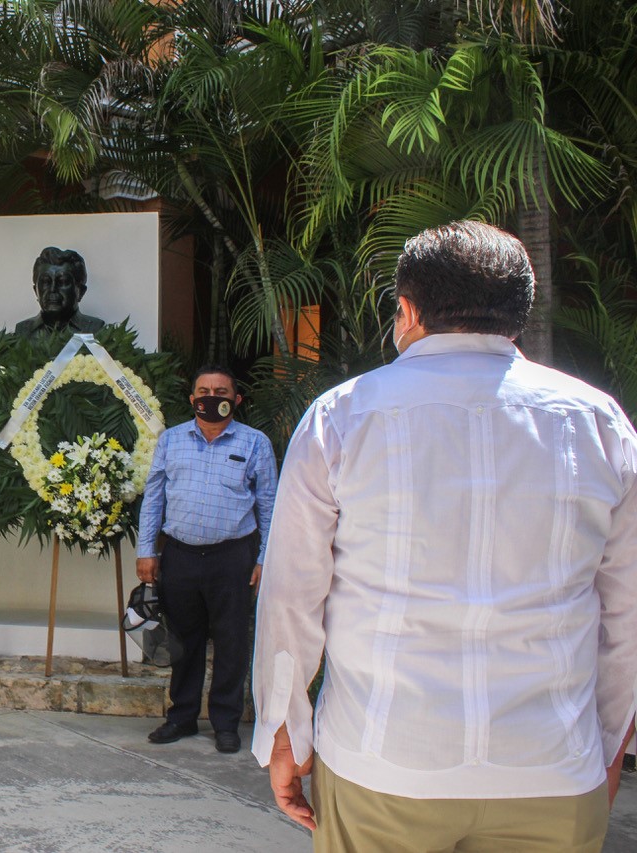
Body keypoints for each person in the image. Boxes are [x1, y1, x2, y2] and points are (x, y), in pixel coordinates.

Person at [252, 221, 637, 852]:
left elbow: (292, 598)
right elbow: (627, 613)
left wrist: (284, 735)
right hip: (551, 764)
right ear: (517, 314)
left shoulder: (342, 417)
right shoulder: (598, 424)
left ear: (406, 310)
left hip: (382, 764)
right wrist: (608, 747)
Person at [137, 365, 277, 752]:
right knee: (182, 641)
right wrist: (146, 550)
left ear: (236, 400)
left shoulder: (254, 443)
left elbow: (269, 505)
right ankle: (181, 717)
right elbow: (154, 496)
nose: (210, 397)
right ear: (192, 398)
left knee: (232, 642)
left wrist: (265, 559)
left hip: (233, 558)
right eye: (203, 390)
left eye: (220, 391)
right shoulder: (172, 440)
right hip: (179, 556)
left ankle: (226, 723)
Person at [13, 247, 106, 338]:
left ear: (81, 291)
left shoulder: (95, 329)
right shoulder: (23, 331)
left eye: (63, 282)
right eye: (46, 282)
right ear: (36, 291)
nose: (53, 289)